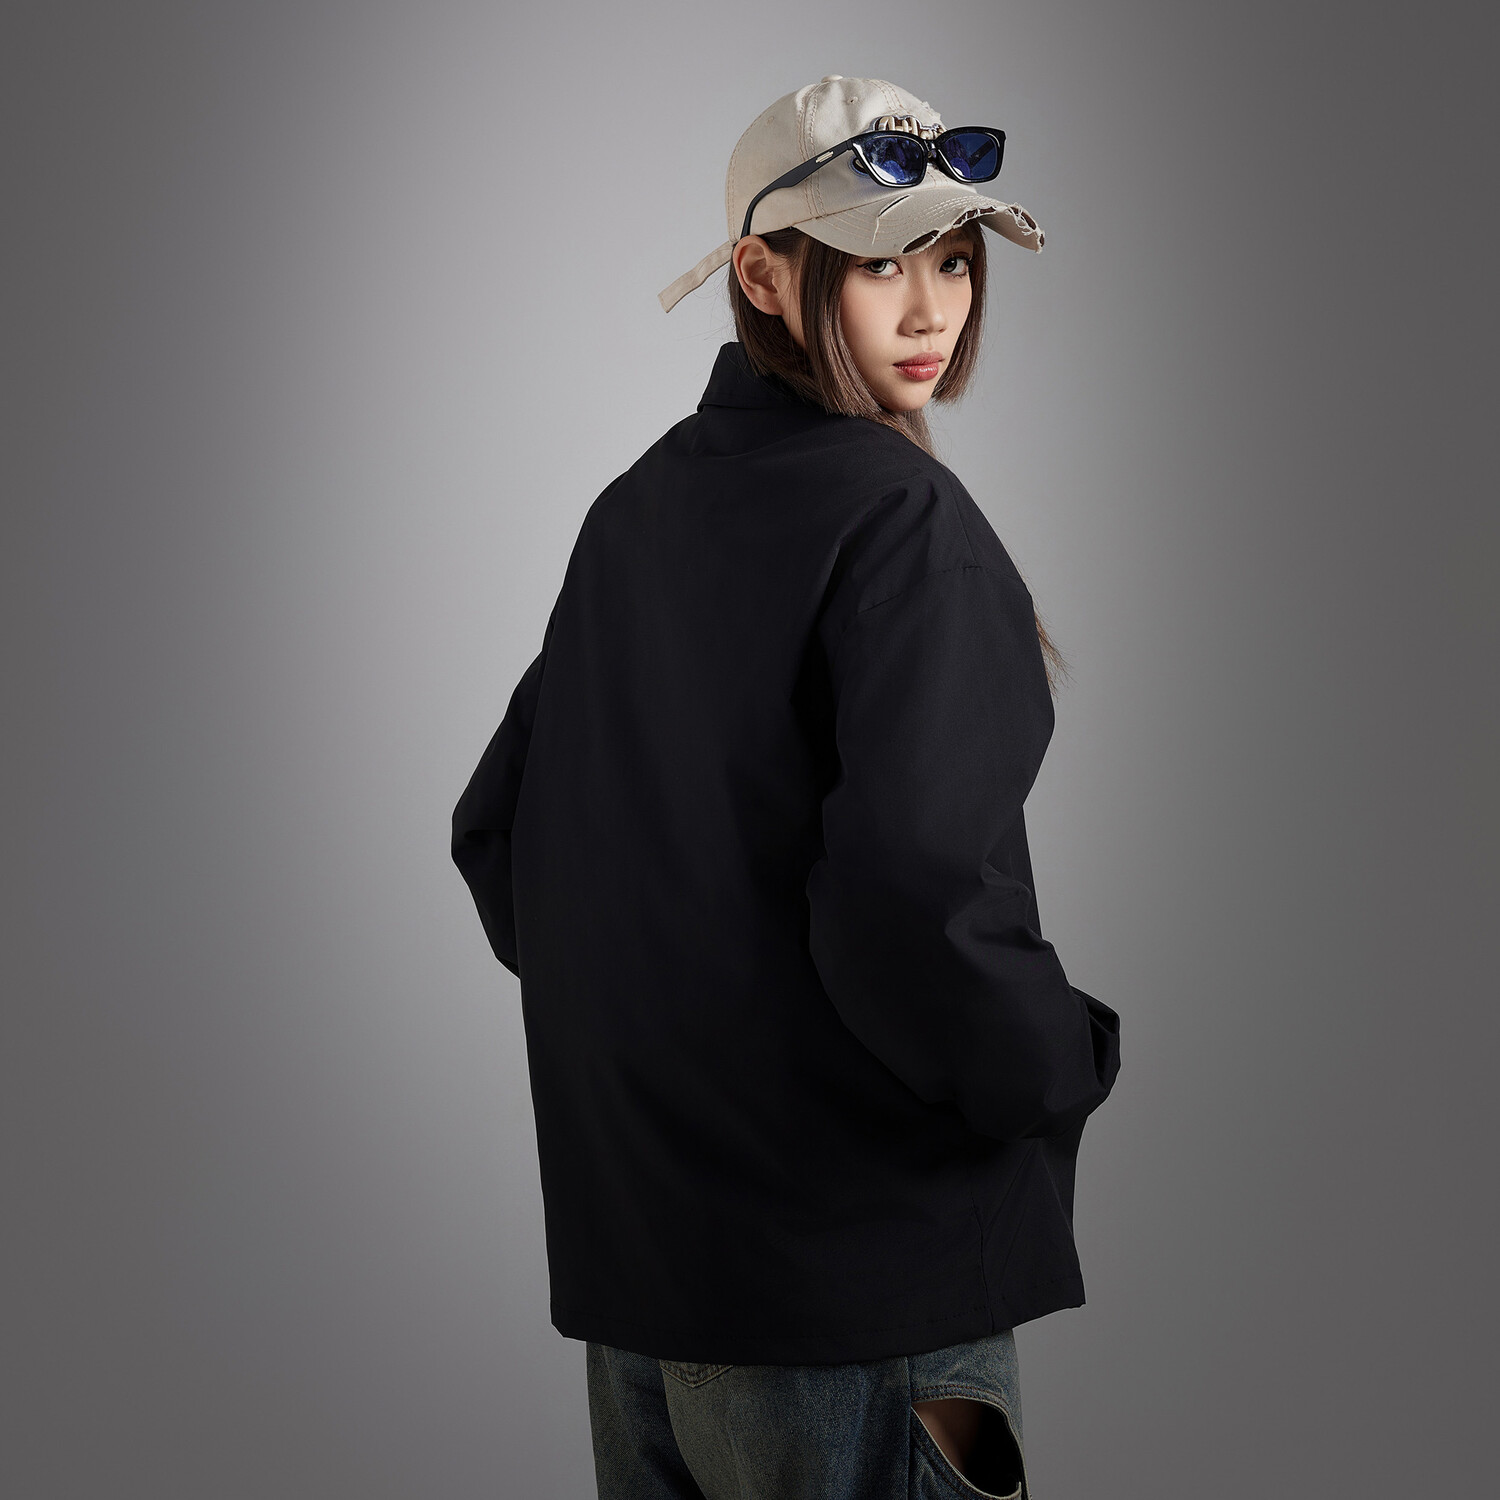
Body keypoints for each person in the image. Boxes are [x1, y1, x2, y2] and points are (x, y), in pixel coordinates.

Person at [452, 74, 1121, 1500]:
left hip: (649, 1310)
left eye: (955, 260)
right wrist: (1058, 1065)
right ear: (762, 276)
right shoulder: (901, 520)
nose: (933, 309)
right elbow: (917, 896)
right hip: (860, 1313)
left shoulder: (634, 513)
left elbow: (504, 838)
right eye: (880, 264)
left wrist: (684, 1053)